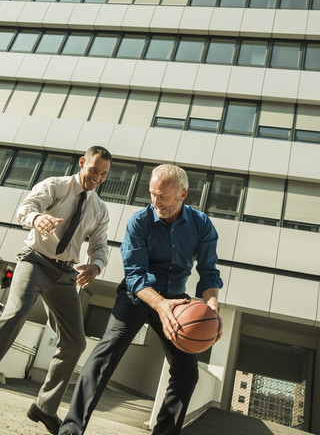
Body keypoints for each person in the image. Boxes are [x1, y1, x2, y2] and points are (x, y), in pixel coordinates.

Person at [58, 163, 223, 435]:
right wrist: (161, 306)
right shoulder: (139, 221)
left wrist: (212, 307)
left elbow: (208, 272)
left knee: (187, 373)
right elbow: (134, 275)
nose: (156, 202)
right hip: (138, 295)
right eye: (153, 194)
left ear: (182, 195)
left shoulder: (201, 224)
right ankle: (71, 429)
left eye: (164, 197)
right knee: (105, 354)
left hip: (177, 303)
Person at [0, 145, 112, 435]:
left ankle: (44, 407)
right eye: (93, 170)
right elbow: (26, 208)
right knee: (16, 312)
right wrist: (38, 219)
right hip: (35, 261)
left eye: (103, 174)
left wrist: (96, 266)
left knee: (75, 342)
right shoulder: (56, 186)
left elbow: (100, 246)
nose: (97, 177)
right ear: (82, 162)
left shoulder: (99, 208)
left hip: (65, 275)